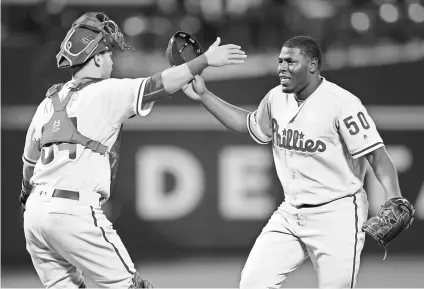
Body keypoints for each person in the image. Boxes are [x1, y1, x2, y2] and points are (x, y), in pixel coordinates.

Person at [20, 12, 246, 288]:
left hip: (34, 217)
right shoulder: (105, 92)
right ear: (97, 58)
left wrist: (29, 201)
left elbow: (29, 164)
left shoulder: (47, 103)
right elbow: (158, 84)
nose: (113, 60)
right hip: (72, 211)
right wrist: (205, 60)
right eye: (109, 54)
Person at [182, 35, 412, 288]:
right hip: (291, 212)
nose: (282, 67)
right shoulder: (275, 98)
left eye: (290, 62)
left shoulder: (342, 104)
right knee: (253, 283)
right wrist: (204, 96)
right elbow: (248, 125)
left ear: (312, 65)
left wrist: (394, 196)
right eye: (280, 61)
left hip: (337, 214)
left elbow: (376, 154)